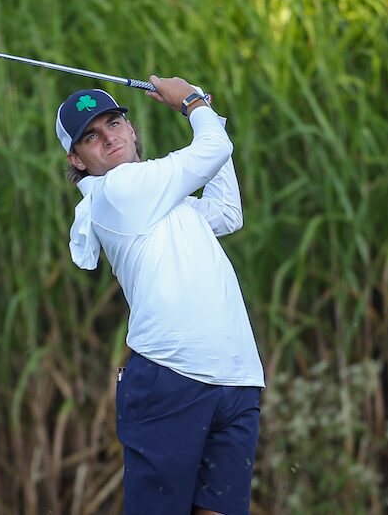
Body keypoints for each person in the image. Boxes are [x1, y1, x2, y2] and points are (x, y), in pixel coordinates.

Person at [56, 77, 264, 515]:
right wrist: (192, 103)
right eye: (90, 136)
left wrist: (206, 111)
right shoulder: (118, 191)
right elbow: (212, 149)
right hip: (172, 378)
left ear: (131, 129)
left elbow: (227, 212)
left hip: (235, 377)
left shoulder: (166, 201)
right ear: (76, 159)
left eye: (114, 123)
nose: (108, 137)